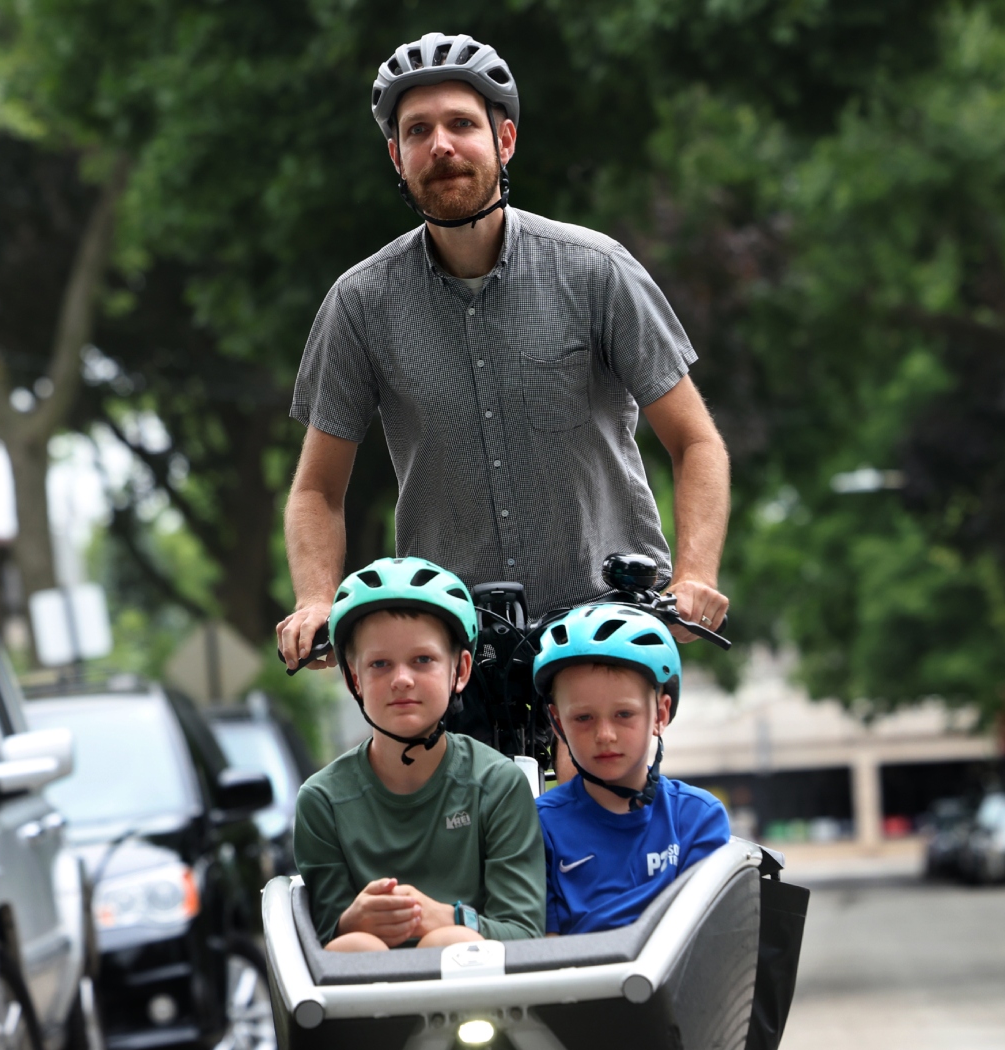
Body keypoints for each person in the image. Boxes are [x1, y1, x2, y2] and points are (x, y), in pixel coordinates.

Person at [275, 30, 733, 677]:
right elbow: (317, 489)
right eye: (417, 130)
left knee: (601, 745)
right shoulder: (360, 304)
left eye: (462, 123)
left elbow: (695, 441)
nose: (440, 144)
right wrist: (316, 600)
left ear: (505, 140)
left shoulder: (597, 271)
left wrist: (694, 576)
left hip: (604, 627)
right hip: (454, 646)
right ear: (397, 157)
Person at [292, 557, 546, 952]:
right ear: (354, 679)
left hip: (483, 984)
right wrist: (349, 922)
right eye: (380, 664)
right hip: (367, 983)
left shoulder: (498, 783)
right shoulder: (321, 801)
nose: (402, 679)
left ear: (461, 670)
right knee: (355, 947)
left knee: (450, 942)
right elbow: (318, 943)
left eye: (423, 660)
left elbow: (525, 933)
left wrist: (448, 919)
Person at [531, 606, 730, 935]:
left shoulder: (697, 819)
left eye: (624, 714)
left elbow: (707, 940)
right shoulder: (538, 826)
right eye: (583, 718)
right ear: (557, 722)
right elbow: (543, 950)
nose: (605, 735)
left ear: (660, 714)